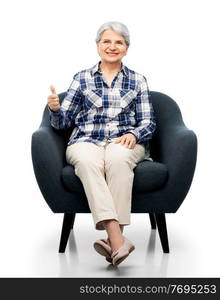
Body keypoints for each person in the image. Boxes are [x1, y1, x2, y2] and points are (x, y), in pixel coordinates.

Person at [47, 21, 156, 266]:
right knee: (86, 162)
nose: (112, 46)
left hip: (124, 140)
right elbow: (63, 122)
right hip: (86, 140)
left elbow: (149, 121)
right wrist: (54, 109)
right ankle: (117, 239)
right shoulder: (82, 78)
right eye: (106, 41)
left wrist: (136, 135)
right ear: (98, 46)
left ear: (127, 48)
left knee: (117, 159)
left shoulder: (138, 80)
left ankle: (112, 241)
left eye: (119, 42)